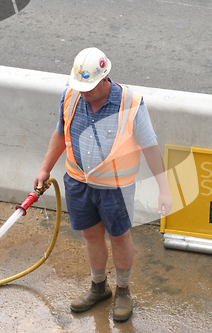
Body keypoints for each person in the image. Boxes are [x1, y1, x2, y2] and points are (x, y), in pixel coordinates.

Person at [34, 47, 172, 322]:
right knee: (91, 236)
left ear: (104, 78)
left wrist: (164, 188)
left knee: (120, 237)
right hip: (78, 183)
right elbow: (60, 134)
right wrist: (44, 168)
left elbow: (151, 147)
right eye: (80, 86)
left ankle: (123, 290)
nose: (83, 92)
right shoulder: (71, 96)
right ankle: (99, 287)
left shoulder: (130, 103)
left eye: (89, 87)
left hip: (115, 189)